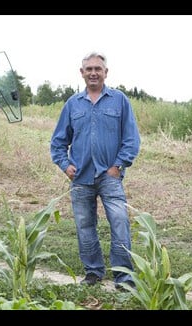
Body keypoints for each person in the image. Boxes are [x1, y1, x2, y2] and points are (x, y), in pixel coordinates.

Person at [50, 52, 141, 290]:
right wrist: (64, 165)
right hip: (80, 178)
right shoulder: (73, 104)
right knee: (85, 226)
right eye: (88, 69)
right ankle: (93, 272)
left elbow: (131, 139)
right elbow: (58, 142)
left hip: (109, 177)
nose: (93, 73)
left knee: (120, 223)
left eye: (97, 69)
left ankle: (123, 277)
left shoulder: (119, 100)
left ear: (105, 73)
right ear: (82, 73)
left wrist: (118, 166)